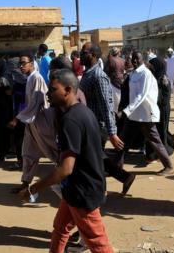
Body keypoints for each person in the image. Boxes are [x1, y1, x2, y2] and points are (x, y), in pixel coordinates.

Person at [27, 68, 113, 252]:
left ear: (67, 90)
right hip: (75, 189)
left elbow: (65, 169)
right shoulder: (82, 112)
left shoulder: (72, 120)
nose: (48, 93)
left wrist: (34, 188)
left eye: (53, 89)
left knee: (98, 242)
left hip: (83, 192)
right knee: (60, 228)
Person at [79, 42, 135, 195]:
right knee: (96, 157)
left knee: (92, 159)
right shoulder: (88, 73)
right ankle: (124, 177)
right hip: (89, 124)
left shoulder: (99, 76)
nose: (80, 55)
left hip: (97, 126)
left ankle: (100, 190)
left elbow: (106, 106)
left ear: (94, 55)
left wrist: (112, 133)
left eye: (84, 52)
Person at [115, 51, 174, 175]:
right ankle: (117, 167)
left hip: (146, 115)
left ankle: (168, 165)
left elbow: (141, 96)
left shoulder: (146, 74)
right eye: (133, 59)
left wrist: (126, 111)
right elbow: (131, 95)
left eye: (137, 58)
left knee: (155, 141)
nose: (135, 61)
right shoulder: (132, 74)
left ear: (143, 60)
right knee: (123, 140)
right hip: (134, 115)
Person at [7, 54, 58, 192]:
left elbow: (36, 103)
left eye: (24, 63)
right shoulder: (30, 78)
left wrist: (17, 118)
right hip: (32, 123)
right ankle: (25, 183)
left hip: (41, 122)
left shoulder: (36, 78)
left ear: (32, 63)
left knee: (54, 153)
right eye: (20, 64)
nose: (21, 66)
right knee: (28, 153)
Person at [145, 57, 174, 162]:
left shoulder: (163, 79)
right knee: (154, 132)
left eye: (152, 66)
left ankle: (162, 153)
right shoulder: (153, 77)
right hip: (154, 109)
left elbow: (163, 98)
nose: (151, 68)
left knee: (161, 130)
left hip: (162, 110)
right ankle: (154, 153)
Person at [105, 47, 125, 112]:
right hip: (121, 81)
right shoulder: (122, 60)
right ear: (118, 53)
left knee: (114, 103)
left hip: (113, 82)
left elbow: (105, 71)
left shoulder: (111, 60)